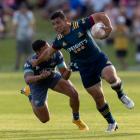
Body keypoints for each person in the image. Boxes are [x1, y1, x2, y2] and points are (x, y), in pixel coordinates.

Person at [31, 10, 134, 132]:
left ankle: (121, 95)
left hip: (98, 60)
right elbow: (48, 52)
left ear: (66, 20)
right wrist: (37, 62)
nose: (56, 26)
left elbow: (100, 15)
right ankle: (112, 122)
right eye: (53, 24)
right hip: (84, 69)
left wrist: (109, 28)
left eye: (58, 22)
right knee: (98, 98)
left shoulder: (79, 25)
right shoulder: (59, 40)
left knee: (111, 78)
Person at [23, 39, 89, 131]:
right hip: (37, 83)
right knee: (45, 119)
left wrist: (70, 67)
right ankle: (30, 96)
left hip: (52, 77)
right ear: (38, 52)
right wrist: (41, 76)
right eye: (46, 49)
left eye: (49, 46)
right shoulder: (30, 62)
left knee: (74, 94)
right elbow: (28, 79)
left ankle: (76, 119)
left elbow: (65, 77)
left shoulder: (56, 54)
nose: (50, 49)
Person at [12, 2, 35, 70]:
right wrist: (14, 32)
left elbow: (32, 23)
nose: (23, 10)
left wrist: (33, 33)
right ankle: (17, 66)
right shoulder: (17, 14)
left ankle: (26, 65)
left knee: (28, 52)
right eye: (22, 8)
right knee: (19, 52)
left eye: (24, 8)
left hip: (28, 35)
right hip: (20, 36)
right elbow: (15, 24)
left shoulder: (29, 14)